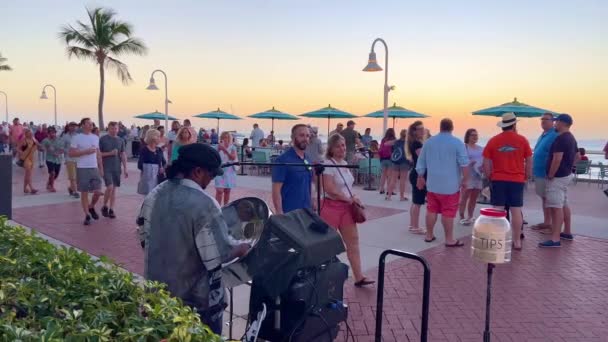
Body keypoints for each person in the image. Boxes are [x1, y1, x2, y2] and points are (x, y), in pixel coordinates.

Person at [137, 143, 250, 334]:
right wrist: (243, 246)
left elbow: (143, 237)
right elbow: (220, 253)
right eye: (211, 175)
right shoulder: (204, 203)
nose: (211, 180)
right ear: (197, 171)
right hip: (194, 305)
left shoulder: (155, 194)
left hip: (156, 297)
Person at [320, 134, 374, 287]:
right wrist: (348, 199)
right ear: (331, 148)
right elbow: (330, 189)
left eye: (343, 145)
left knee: (353, 242)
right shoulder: (327, 164)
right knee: (328, 245)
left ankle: (358, 276)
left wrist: (353, 197)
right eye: (338, 146)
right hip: (331, 207)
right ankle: (325, 279)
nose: (342, 148)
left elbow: (347, 186)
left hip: (346, 207)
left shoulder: (344, 163)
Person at [482, 113, 532, 250]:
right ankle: (516, 241)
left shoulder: (493, 141)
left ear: (503, 126)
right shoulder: (522, 140)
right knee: (516, 210)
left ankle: (499, 239)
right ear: (514, 124)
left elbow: (486, 161)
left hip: (498, 179)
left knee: (498, 210)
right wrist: (527, 175)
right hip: (517, 179)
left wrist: (489, 176)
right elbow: (529, 159)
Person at [416, 119, 469, 247]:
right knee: (448, 212)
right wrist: (465, 179)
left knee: (431, 209)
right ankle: (449, 239)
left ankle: (429, 235)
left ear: (440, 127)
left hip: (433, 183)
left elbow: (421, 161)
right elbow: (464, 163)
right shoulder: (457, 143)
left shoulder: (429, 142)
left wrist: (420, 176)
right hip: (450, 185)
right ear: (452, 128)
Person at [539, 114, 579, 248]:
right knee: (563, 204)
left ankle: (555, 238)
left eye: (556, 122)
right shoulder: (571, 138)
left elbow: (557, 158)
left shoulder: (561, 139)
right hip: (566, 176)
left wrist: (551, 174)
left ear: (562, 123)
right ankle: (567, 232)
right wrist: (570, 167)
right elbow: (577, 156)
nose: (555, 124)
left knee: (556, 207)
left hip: (557, 178)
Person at [69, 118, 104, 226]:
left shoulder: (95, 137)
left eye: (91, 123)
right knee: (84, 192)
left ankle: (91, 206)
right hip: (82, 168)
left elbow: (98, 153)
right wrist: (86, 151)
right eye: (88, 123)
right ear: (83, 125)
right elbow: (71, 153)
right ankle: (87, 215)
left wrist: (101, 167)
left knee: (98, 191)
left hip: (94, 168)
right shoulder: (76, 138)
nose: (91, 125)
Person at [272, 124, 313, 214]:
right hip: (289, 213)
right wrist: (279, 213)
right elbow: (276, 190)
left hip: (306, 212)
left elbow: (309, 185)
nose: (305, 139)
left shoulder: (308, 159)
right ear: (293, 137)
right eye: (301, 135)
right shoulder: (282, 160)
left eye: (307, 136)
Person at [530, 113, 558, 231]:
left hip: (547, 174)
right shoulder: (543, 135)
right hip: (539, 172)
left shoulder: (554, 135)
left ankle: (552, 225)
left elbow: (557, 155)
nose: (543, 121)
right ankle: (547, 222)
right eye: (541, 119)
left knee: (550, 199)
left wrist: (551, 172)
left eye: (546, 119)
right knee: (544, 198)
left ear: (553, 121)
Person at [99, 122, 128, 219]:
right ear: (108, 129)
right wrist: (110, 153)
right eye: (112, 128)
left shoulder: (121, 140)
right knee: (110, 187)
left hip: (116, 167)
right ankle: (104, 206)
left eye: (115, 128)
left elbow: (123, 155)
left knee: (114, 189)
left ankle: (111, 209)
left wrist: (125, 168)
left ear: (118, 129)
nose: (114, 130)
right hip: (106, 167)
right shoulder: (103, 139)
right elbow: (98, 154)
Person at [458, 129, 484, 225]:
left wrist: (483, 167)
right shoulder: (464, 148)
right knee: (464, 196)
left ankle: (470, 216)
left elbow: (484, 160)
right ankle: (461, 216)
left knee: (474, 197)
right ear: (468, 136)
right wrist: (469, 163)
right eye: (472, 135)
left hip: (478, 175)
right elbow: (460, 161)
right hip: (467, 175)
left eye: (476, 135)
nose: (475, 137)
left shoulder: (481, 148)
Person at [406, 121, 427, 234]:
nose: (422, 130)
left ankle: (412, 225)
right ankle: (415, 226)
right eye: (419, 129)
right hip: (418, 174)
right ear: (414, 131)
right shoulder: (416, 144)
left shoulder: (416, 143)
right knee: (417, 202)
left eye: (422, 128)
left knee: (415, 201)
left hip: (415, 172)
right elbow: (423, 158)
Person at [137, 129, 167, 196]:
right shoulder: (144, 150)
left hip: (158, 176)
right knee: (148, 196)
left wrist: (163, 168)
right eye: (158, 136)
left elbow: (164, 162)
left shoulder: (159, 150)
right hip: (147, 177)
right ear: (153, 137)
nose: (160, 138)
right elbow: (140, 165)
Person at [215, 131, 238, 205]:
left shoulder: (233, 147)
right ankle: (217, 207)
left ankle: (225, 207)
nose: (226, 139)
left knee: (227, 191)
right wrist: (220, 149)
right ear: (221, 138)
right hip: (220, 169)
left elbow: (233, 158)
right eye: (224, 137)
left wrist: (225, 150)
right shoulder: (218, 146)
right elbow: (214, 156)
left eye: (227, 137)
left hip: (229, 170)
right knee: (219, 190)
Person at [386, 129, 410, 201]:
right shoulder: (408, 143)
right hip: (405, 162)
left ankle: (389, 196)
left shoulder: (396, 142)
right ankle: (401, 197)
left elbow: (386, 143)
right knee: (402, 180)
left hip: (396, 162)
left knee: (393, 179)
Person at [41, 126, 64, 192]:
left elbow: (62, 149)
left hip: (58, 160)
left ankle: (49, 183)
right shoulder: (45, 140)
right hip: (49, 159)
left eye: (53, 133)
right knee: (52, 173)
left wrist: (58, 153)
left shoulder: (59, 140)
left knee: (55, 175)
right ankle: (52, 187)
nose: (52, 134)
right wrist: (45, 148)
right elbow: (41, 148)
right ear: (48, 133)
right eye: (51, 133)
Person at [18, 128, 41, 194]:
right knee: (28, 174)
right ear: (26, 134)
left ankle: (25, 188)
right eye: (29, 133)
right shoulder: (24, 140)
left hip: (32, 158)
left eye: (31, 132)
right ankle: (31, 188)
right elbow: (17, 148)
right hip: (26, 159)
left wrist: (40, 146)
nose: (30, 134)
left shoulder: (34, 139)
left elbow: (39, 146)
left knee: (28, 174)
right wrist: (21, 152)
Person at [61, 122, 80, 198]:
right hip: (69, 159)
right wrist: (68, 151)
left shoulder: (79, 136)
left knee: (78, 178)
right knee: (72, 177)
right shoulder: (65, 137)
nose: (74, 128)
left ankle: (71, 188)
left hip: (78, 159)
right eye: (72, 126)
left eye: (75, 126)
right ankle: (75, 192)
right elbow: (62, 147)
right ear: (69, 127)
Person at [378, 128, 396, 195]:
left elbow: (380, 148)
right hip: (390, 159)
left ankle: (381, 189)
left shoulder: (383, 139)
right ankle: (389, 190)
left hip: (383, 159)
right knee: (389, 176)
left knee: (383, 175)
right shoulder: (393, 140)